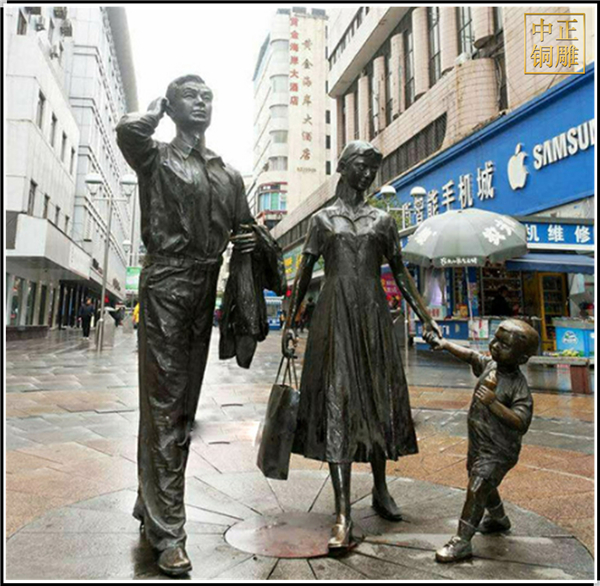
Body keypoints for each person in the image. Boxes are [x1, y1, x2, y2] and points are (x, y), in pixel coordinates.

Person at [116, 74, 263, 576]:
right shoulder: (156, 157)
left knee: (179, 409)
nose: (201, 102)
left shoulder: (227, 173)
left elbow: (247, 228)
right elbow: (128, 131)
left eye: (207, 96)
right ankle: (169, 531)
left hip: (204, 290)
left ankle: (149, 500)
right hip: (165, 285)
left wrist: (249, 242)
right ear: (172, 105)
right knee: (165, 408)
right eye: (190, 96)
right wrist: (157, 108)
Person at [282, 140, 441, 553]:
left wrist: (425, 317)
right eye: (362, 165)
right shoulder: (322, 221)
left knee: (376, 397)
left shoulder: (382, 221)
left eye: (374, 168)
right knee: (338, 400)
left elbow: (401, 274)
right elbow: (303, 275)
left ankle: (380, 488)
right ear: (344, 167)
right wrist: (289, 323)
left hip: (372, 315)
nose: (368, 174)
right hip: (334, 316)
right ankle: (342, 513)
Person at [424, 319, 540, 563]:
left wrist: (493, 403)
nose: (495, 346)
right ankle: (498, 518)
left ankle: (462, 539)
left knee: (478, 486)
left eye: (504, 345)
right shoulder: (490, 366)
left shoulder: (518, 386)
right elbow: (470, 355)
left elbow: (521, 421)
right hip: (479, 443)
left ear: (522, 358)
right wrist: (445, 344)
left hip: (499, 450)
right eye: (495, 339)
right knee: (482, 482)